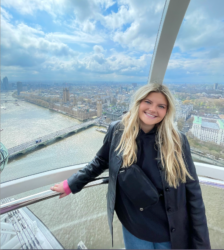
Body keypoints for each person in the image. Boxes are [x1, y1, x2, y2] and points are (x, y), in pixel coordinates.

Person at [51, 83, 211, 249]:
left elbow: (193, 191)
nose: (153, 109)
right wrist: (71, 184)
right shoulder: (117, 130)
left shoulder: (177, 140)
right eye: (148, 102)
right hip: (135, 225)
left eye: (161, 106)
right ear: (138, 103)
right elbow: (100, 161)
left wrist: (202, 243)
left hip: (170, 229)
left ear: (167, 111)